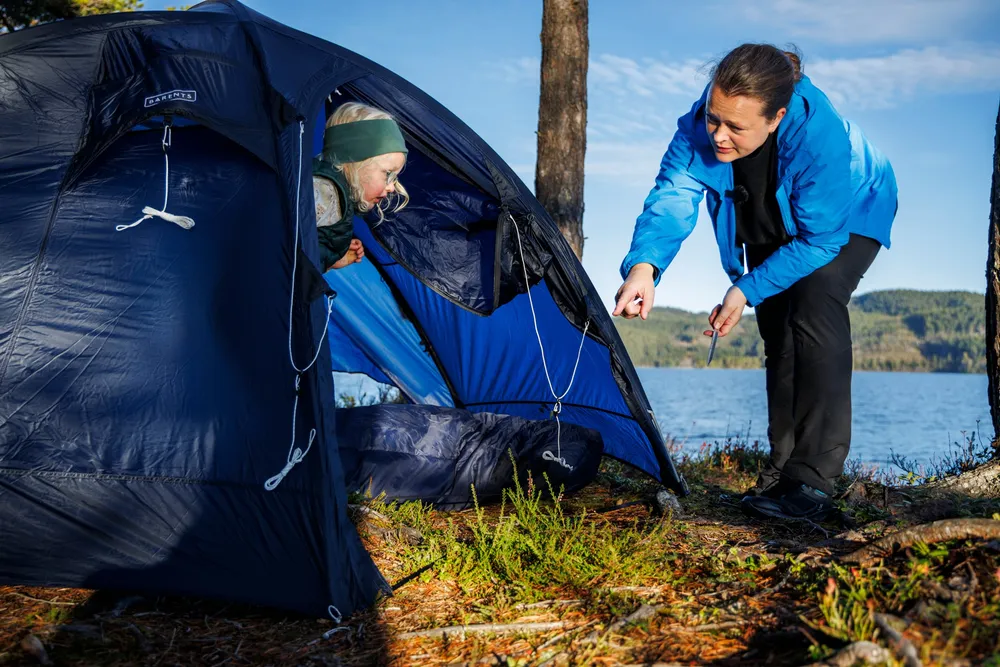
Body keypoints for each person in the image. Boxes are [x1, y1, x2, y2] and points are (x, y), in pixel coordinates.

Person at [613, 44, 898, 523]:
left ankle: (812, 483)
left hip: (848, 211)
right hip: (772, 215)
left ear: (776, 117)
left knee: (812, 303)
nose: (719, 136)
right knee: (776, 327)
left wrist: (744, 288)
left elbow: (821, 241)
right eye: (713, 118)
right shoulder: (700, 124)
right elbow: (672, 194)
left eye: (735, 128)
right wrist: (644, 265)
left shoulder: (816, 137)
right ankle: (782, 471)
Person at [313, 102, 410, 271]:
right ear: (356, 162)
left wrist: (327, 258)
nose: (392, 188)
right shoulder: (323, 191)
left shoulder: (335, 200)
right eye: (388, 174)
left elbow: (298, 259)